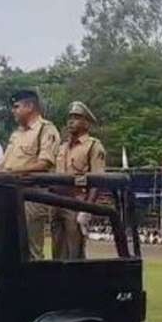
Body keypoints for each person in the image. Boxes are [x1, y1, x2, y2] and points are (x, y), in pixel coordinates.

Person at [0, 90, 60, 260]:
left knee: (32, 249)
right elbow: (4, 163)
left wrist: (10, 172)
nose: (13, 111)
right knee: (9, 247)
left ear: (30, 106)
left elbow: (44, 164)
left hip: (32, 195)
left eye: (16, 106)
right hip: (9, 194)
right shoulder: (17, 134)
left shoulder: (45, 129)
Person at [51, 101, 106, 260]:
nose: (71, 121)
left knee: (75, 253)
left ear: (86, 123)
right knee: (57, 253)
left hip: (76, 202)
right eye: (70, 117)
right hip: (56, 202)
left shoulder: (93, 146)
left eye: (76, 117)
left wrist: (87, 209)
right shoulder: (62, 147)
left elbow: (97, 180)